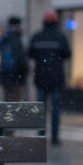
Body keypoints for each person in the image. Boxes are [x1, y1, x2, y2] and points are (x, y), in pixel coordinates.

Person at [28, 10, 71, 145]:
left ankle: (41, 135)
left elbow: (30, 54)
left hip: (41, 78)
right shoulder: (60, 37)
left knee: (41, 109)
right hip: (56, 78)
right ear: (55, 22)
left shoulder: (37, 37)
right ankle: (55, 137)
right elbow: (67, 54)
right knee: (55, 110)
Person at [0, 16, 28, 101]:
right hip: (15, 76)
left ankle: (7, 114)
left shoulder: (3, 37)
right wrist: (24, 73)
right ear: (17, 26)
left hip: (5, 76)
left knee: (7, 100)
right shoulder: (15, 37)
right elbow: (20, 58)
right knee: (15, 102)